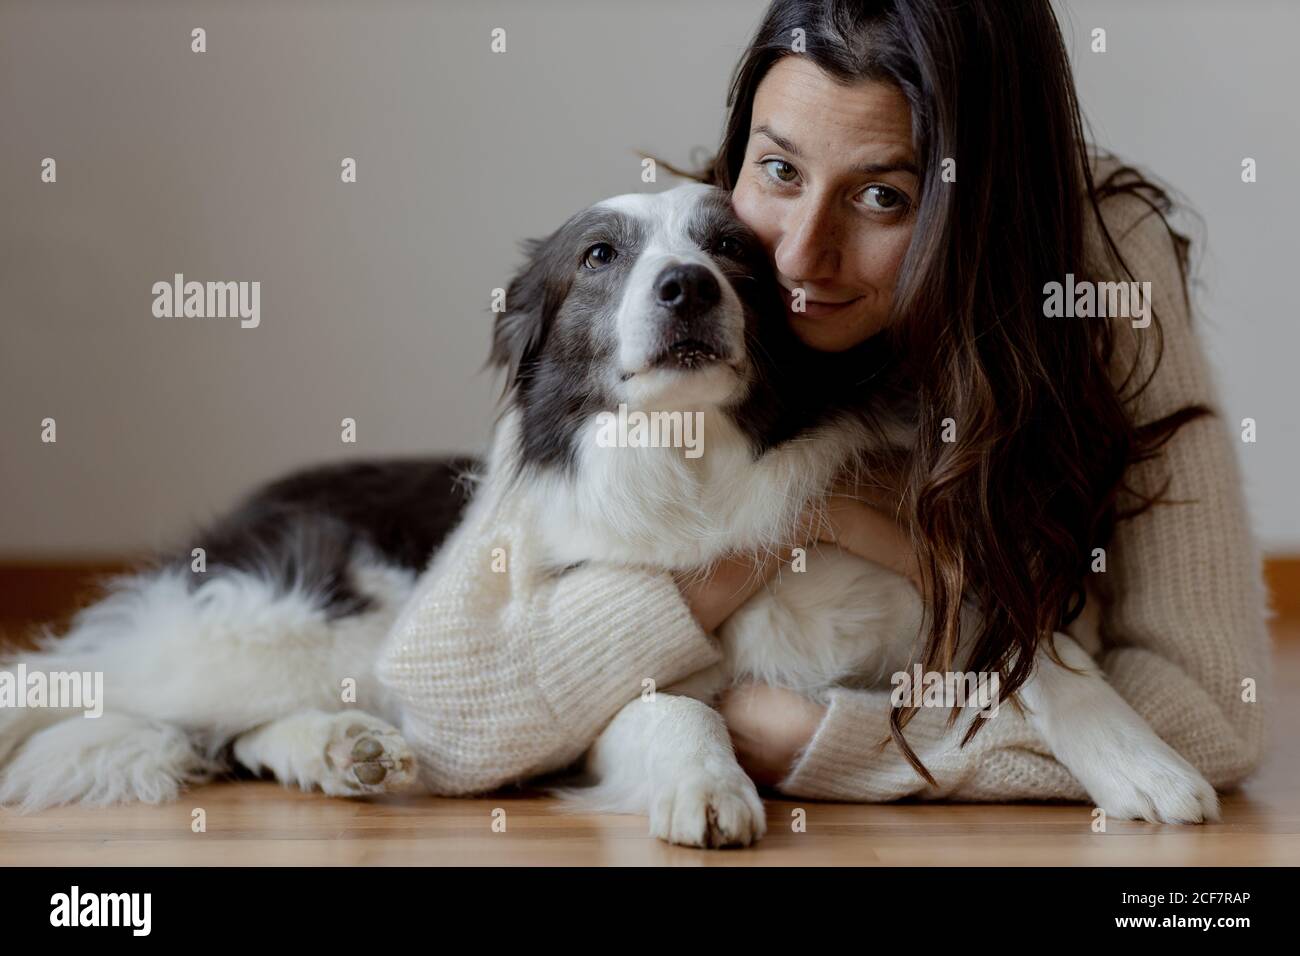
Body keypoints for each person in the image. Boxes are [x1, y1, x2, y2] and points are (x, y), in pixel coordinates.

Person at [378, 0, 1269, 805]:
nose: (800, 256)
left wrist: (839, 745)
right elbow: (453, 720)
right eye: (778, 169)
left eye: (884, 197)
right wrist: (798, 528)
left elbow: (1211, 714)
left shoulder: (1103, 267)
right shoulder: (679, 281)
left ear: (979, 209)